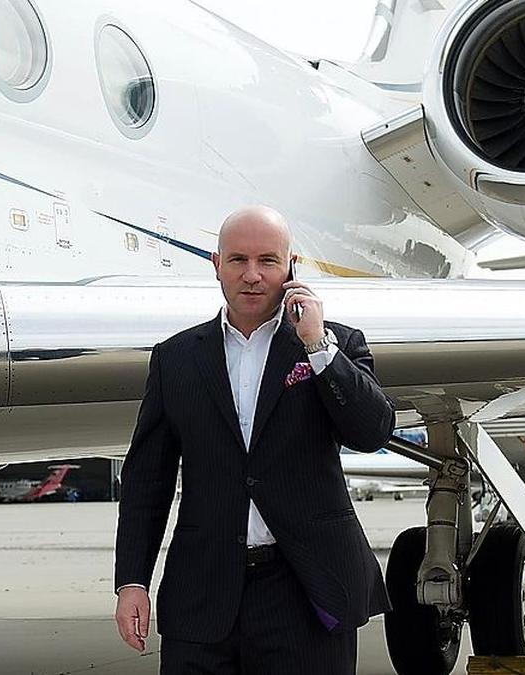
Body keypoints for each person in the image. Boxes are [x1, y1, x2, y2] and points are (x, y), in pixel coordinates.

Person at [113, 206, 396, 674]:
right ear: (216, 265)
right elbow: (147, 480)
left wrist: (318, 346)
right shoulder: (175, 359)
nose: (252, 275)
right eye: (238, 260)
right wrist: (132, 581)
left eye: (268, 260)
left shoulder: (335, 345)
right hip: (202, 593)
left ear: (291, 267)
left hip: (305, 591)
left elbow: (373, 432)